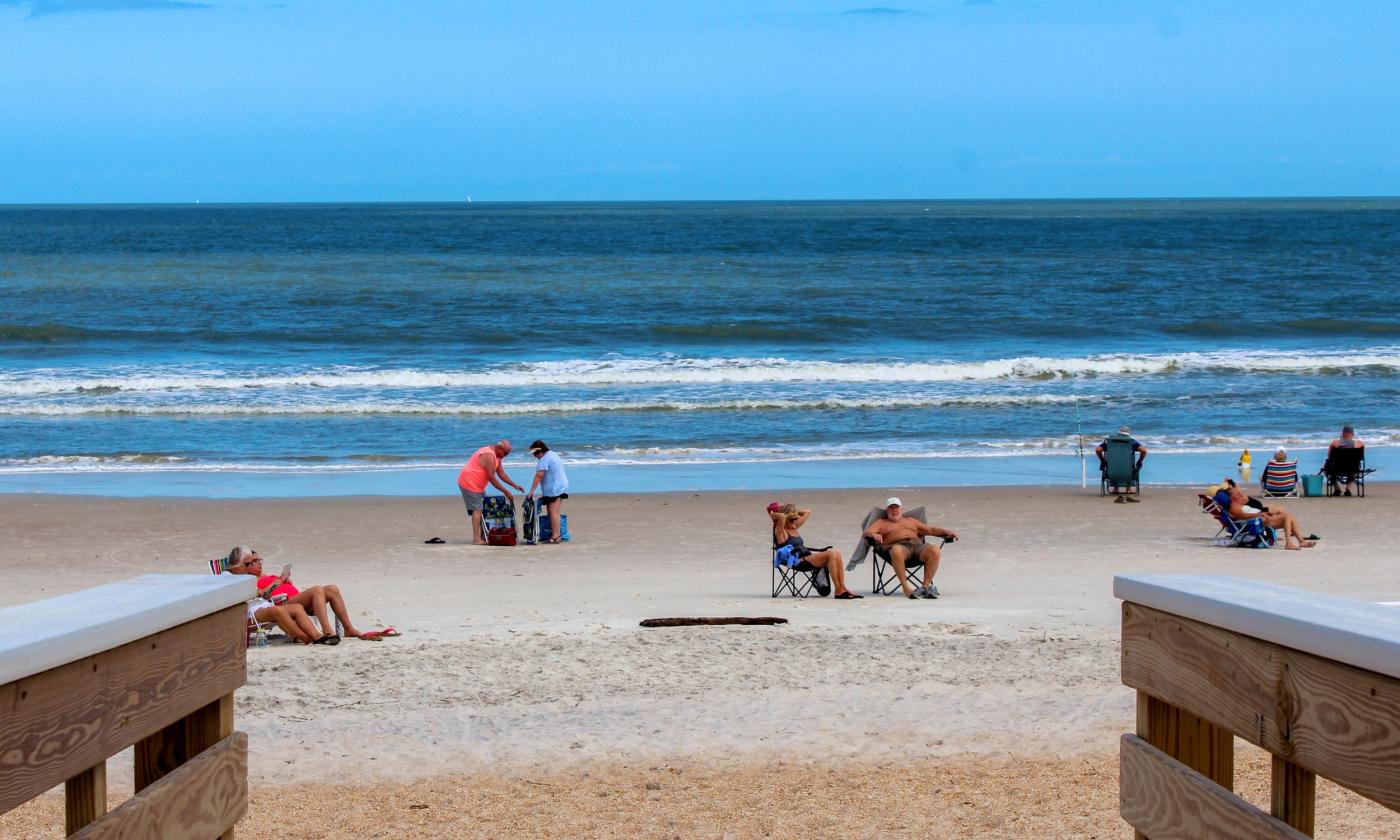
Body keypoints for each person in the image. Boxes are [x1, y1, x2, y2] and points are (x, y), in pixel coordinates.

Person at [226, 546, 393, 641]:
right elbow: (263, 595)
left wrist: (284, 580)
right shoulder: (249, 579)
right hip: (283, 603)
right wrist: (280, 580)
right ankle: (328, 632)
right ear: (244, 565)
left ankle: (349, 629)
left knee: (332, 588)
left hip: (293, 601)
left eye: (258, 561)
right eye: (252, 562)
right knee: (317, 590)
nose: (257, 564)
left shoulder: (263, 576)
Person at [862, 497, 958, 600]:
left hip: (917, 547)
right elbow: (866, 532)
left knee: (935, 550)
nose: (894, 510)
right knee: (896, 550)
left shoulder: (910, 521)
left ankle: (924, 588)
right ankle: (906, 588)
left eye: (896, 507)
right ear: (887, 511)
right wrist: (873, 535)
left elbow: (930, 530)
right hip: (898, 549)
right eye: (891, 508)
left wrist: (947, 532)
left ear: (901, 509)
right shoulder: (881, 522)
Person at [769, 502, 861, 599]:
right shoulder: (780, 531)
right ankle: (838, 591)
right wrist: (775, 514)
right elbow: (782, 517)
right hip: (798, 561)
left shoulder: (794, 527)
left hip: (807, 557)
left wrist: (793, 512)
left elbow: (807, 512)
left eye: (795, 518)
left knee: (836, 553)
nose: (795, 520)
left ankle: (843, 588)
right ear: (786, 518)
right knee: (831, 554)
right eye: (792, 519)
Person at [457, 439, 526, 545]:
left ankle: (482, 536)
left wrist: (514, 485)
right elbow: (491, 478)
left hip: (478, 485)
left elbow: (501, 473)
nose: (505, 456)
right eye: (505, 453)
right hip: (469, 482)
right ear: (499, 448)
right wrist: (506, 492)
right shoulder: (489, 455)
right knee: (478, 509)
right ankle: (476, 539)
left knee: (482, 509)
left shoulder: (498, 456)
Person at [1223, 481, 1318, 550]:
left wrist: (1261, 513)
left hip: (1260, 518)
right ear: (1231, 497)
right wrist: (1260, 514)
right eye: (1236, 494)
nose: (1239, 495)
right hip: (1257, 523)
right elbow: (1243, 516)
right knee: (1286, 516)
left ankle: (1301, 541)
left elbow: (1243, 510)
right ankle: (1289, 543)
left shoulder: (1236, 504)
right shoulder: (1234, 507)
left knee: (1289, 517)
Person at [526, 439, 570, 544]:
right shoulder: (552, 454)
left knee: (553, 512)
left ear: (540, 451)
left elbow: (539, 475)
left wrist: (531, 491)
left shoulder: (544, 459)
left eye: (535, 454)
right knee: (551, 512)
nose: (534, 456)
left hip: (556, 489)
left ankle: (556, 536)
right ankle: (555, 534)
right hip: (558, 486)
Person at [1095, 425, 1147, 503]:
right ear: (1128, 434)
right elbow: (1144, 451)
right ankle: (1128, 489)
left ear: (1119, 433)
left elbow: (1098, 450)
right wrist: (1140, 461)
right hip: (1128, 473)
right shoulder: (1131, 441)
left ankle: (1116, 488)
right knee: (1130, 466)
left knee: (1113, 465)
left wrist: (1102, 460)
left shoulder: (1109, 441)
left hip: (1111, 473)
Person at [1324, 425, 1366, 496]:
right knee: (1355, 465)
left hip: (1337, 469)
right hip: (1353, 469)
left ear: (1342, 433)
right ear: (1352, 434)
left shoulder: (1334, 443)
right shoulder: (1359, 444)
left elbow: (1329, 456)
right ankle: (1348, 488)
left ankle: (1337, 488)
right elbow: (1361, 457)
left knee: (1326, 468)